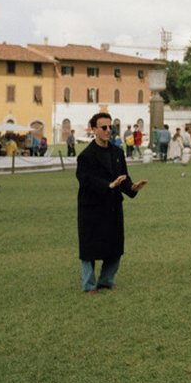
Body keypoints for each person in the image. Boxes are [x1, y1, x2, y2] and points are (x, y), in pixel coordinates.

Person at [76, 112, 149, 293]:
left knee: (115, 247)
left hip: (113, 206)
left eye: (111, 127)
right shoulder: (86, 156)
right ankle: (89, 284)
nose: (109, 131)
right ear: (94, 130)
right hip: (92, 208)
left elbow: (123, 178)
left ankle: (106, 280)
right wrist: (107, 185)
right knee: (89, 248)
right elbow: (85, 179)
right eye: (104, 127)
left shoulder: (117, 152)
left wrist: (132, 187)